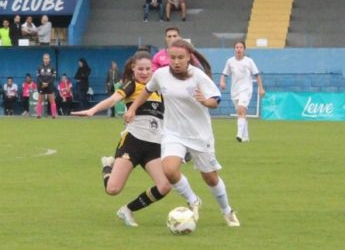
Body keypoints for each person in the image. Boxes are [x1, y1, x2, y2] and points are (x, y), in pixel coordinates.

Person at [124, 39, 240, 227]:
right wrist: (132, 109)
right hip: (172, 133)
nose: (176, 61)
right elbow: (146, 91)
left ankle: (227, 211)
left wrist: (205, 101)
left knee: (210, 177)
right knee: (169, 170)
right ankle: (193, 200)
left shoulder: (198, 76)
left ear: (188, 58)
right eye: (172, 57)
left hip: (199, 135)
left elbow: (215, 100)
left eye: (180, 58)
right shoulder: (161, 74)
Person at [72, 51, 170, 227]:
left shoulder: (160, 90)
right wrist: (92, 110)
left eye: (148, 68)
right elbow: (112, 100)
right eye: (140, 69)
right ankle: (107, 166)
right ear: (133, 69)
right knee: (113, 189)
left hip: (154, 146)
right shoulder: (132, 85)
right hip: (133, 142)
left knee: (164, 186)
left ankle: (127, 210)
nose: (145, 72)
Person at [220, 41, 265, 142]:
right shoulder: (230, 61)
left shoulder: (249, 61)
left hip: (246, 90)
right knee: (241, 112)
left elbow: (257, 74)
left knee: (241, 110)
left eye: (241, 47)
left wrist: (261, 88)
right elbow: (224, 73)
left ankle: (239, 134)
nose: (239, 49)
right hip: (234, 91)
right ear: (234, 49)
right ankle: (246, 136)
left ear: (244, 49)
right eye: (237, 47)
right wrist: (222, 82)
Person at [36, 53, 57, 118]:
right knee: (40, 100)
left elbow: (53, 77)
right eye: (45, 58)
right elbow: (38, 77)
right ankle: (39, 115)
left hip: (50, 86)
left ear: (49, 59)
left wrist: (47, 83)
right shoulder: (39, 67)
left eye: (47, 58)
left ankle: (54, 115)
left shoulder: (52, 67)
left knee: (52, 100)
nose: (46, 60)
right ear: (43, 59)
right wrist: (43, 83)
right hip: (41, 86)